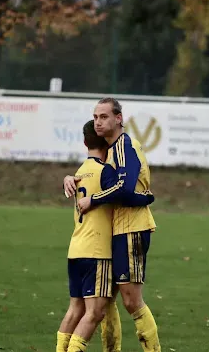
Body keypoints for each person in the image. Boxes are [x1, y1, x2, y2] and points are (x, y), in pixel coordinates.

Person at [64, 98, 161, 352]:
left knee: (132, 301)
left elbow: (125, 188)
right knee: (106, 302)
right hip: (115, 232)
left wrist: (93, 199)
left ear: (119, 119)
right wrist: (69, 178)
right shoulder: (109, 154)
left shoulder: (125, 145)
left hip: (131, 228)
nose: (98, 121)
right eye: (95, 117)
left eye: (104, 116)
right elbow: (113, 185)